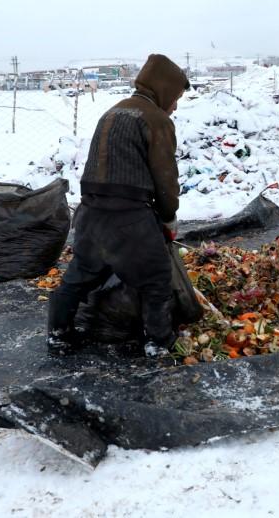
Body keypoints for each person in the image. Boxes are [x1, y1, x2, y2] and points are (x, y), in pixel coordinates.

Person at [47, 53, 189, 356]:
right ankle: (158, 344)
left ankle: (58, 334)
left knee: (81, 274)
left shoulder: (113, 112)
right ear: (163, 89)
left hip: (89, 214)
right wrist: (168, 218)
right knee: (155, 279)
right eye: (175, 97)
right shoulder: (156, 119)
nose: (175, 105)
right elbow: (165, 177)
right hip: (129, 218)